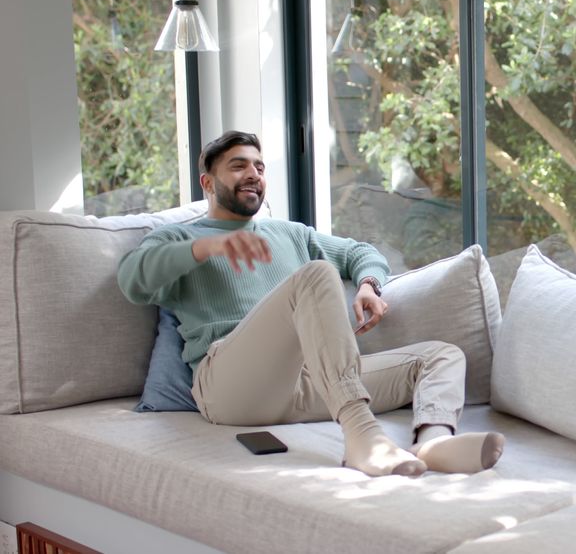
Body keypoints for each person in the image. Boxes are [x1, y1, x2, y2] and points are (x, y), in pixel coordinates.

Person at [117, 130, 503, 477]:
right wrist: (205, 247)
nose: (253, 174)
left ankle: (432, 441)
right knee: (316, 274)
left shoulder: (289, 233)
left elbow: (358, 252)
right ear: (208, 182)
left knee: (441, 355)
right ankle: (362, 435)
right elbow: (134, 280)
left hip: (311, 383)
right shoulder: (180, 238)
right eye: (238, 166)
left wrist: (369, 284)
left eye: (259, 166)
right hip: (230, 388)